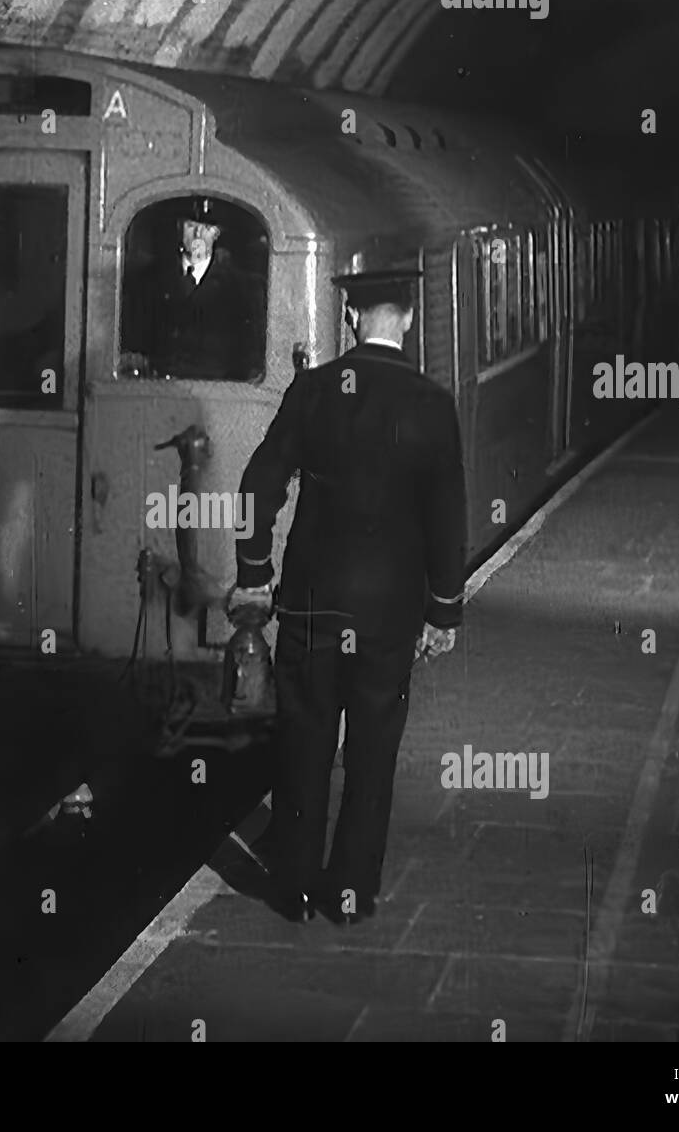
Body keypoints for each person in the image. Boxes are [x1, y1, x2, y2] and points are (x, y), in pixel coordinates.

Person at [229, 268, 467, 925]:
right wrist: (443, 610)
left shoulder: (312, 392)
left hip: (312, 602)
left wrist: (254, 571)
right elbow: (448, 516)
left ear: (352, 319)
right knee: (372, 752)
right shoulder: (430, 403)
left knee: (303, 740)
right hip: (389, 613)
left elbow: (258, 484)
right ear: (410, 320)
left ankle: (293, 889)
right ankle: (351, 893)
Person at [131, 198, 262, 380]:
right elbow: (134, 344)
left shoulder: (240, 287)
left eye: (206, 229)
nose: (198, 234)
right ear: (179, 228)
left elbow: (250, 358)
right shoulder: (150, 280)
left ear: (216, 234)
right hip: (160, 390)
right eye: (191, 226)